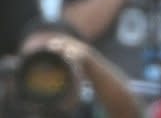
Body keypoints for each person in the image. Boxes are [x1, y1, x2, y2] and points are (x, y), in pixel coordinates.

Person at [0, 18, 142, 118]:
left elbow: (129, 113)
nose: (45, 77)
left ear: (80, 75)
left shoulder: (91, 111)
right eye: (35, 63)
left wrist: (88, 59)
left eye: (54, 63)